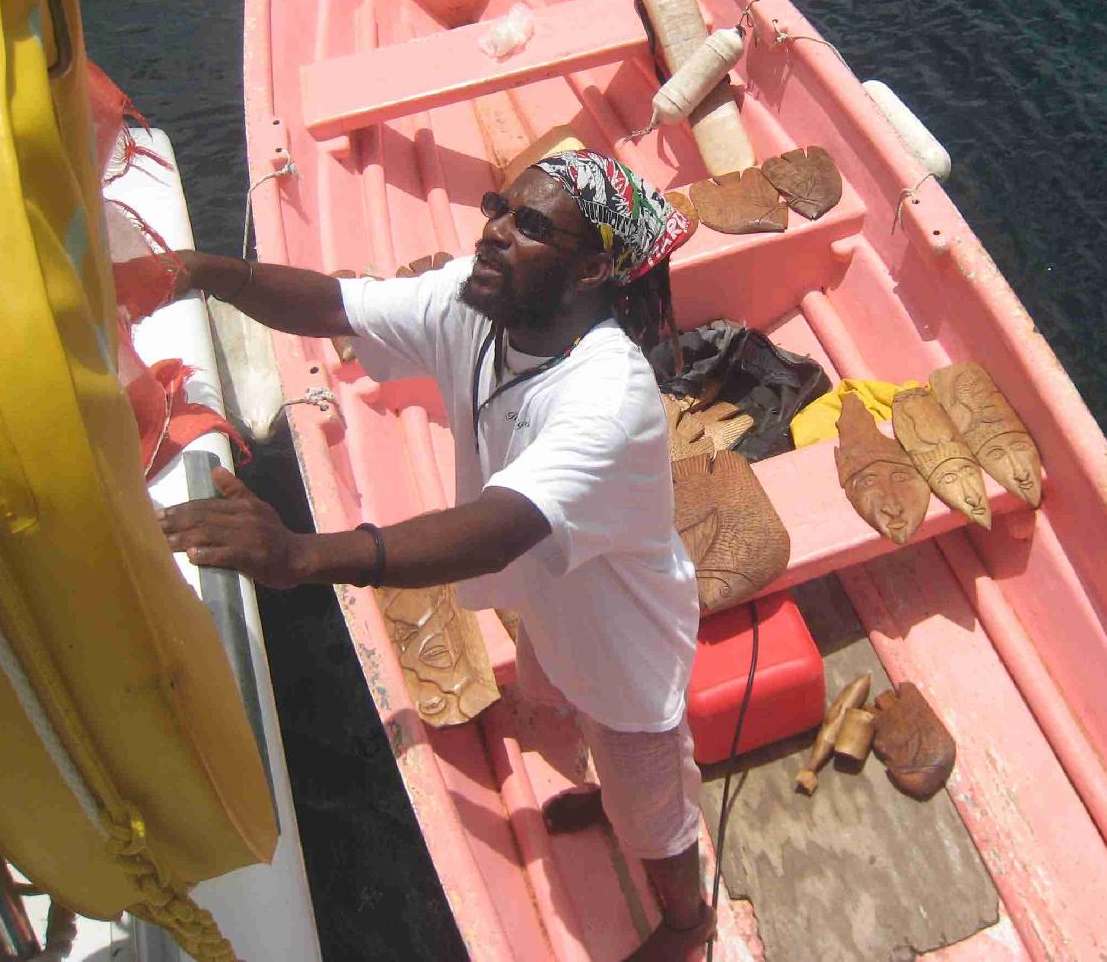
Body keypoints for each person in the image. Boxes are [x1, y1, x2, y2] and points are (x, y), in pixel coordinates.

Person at [158, 150, 711, 960]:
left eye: (529, 225)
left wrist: (303, 555)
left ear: (594, 269)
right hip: (552, 602)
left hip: (626, 646)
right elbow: (338, 303)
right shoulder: (476, 302)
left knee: (653, 807)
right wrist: (206, 273)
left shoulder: (611, 397)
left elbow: (499, 528)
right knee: (564, 708)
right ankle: (605, 798)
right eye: (497, 207)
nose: (494, 232)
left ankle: (689, 923)